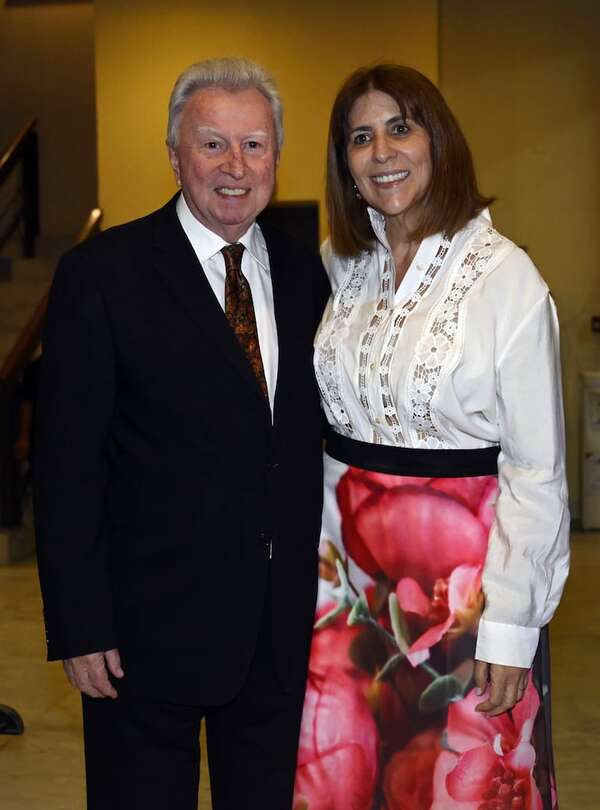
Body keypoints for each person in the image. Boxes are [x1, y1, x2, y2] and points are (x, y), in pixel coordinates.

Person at [35, 57, 329, 810]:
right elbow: (66, 466)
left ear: (276, 156)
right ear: (174, 154)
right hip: (141, 640)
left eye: (255, 145)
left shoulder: (311, 279)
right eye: (212, 144)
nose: (236, 167)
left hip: (280, 634)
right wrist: (79, 623)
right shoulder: (100, 276)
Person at [293, 65, 569, 810]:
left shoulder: (508, 281)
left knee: (461, 786)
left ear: (438, 141)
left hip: (471, 594)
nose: (381, 151)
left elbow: (536, 472)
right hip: (344, 592)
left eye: (400, 127)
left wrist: (510, 630)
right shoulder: (338, 264)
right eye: (360, 137)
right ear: (344, 165)